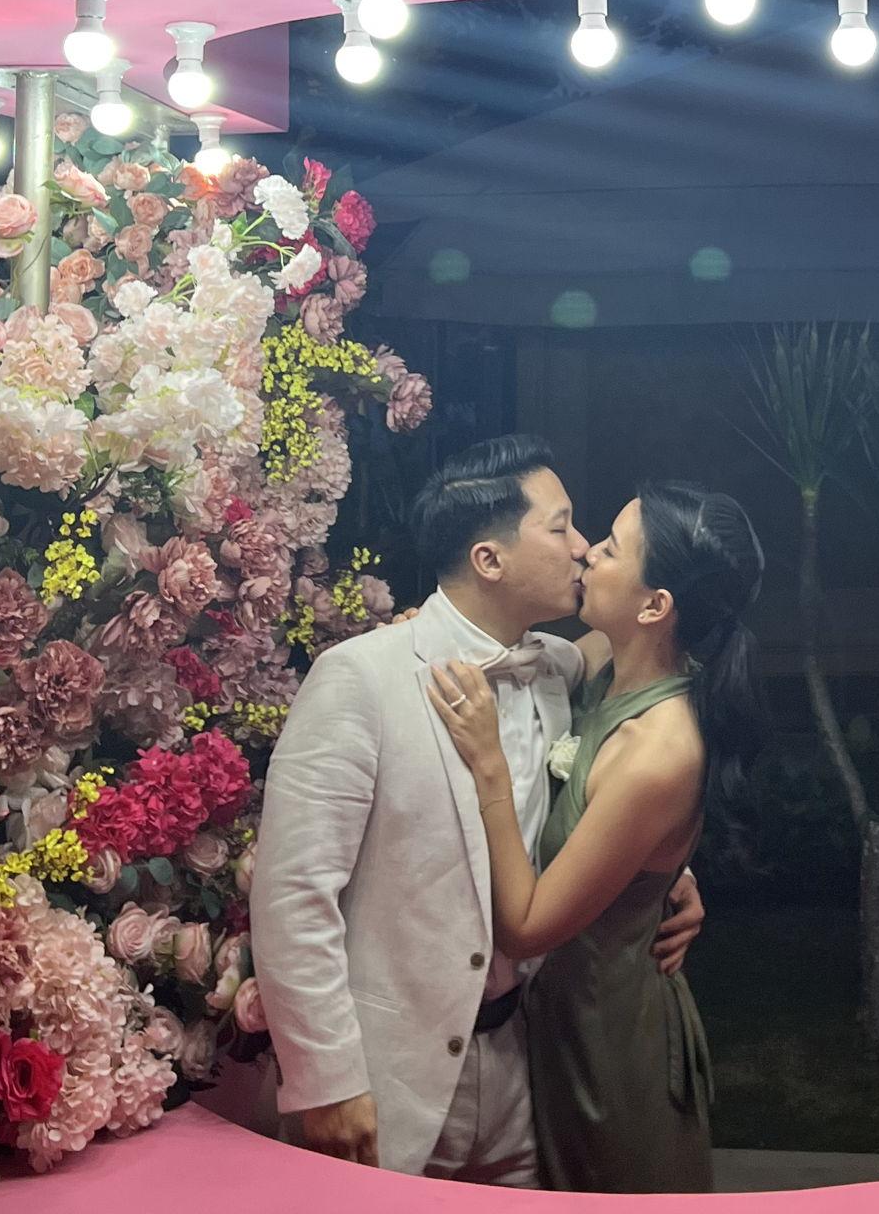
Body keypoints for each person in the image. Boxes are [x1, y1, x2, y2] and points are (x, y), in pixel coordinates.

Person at [251, 435, 705, 1183]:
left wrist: (667, 876)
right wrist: (327, 1079)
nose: (583, 548)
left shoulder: (559, 671)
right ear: (489, 559)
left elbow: (619, 790)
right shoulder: (360, 678)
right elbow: (293, 897)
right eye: (560, 527)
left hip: (531, 1067)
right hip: (391, 1073)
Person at [428, 478, 766, 1193]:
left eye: (611, 548)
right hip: (549, 1025)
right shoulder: (605, 660)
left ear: (655, 605)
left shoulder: (660, 750)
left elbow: (525, 927)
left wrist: (489, 763)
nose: (586, 555)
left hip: (609, 1046)